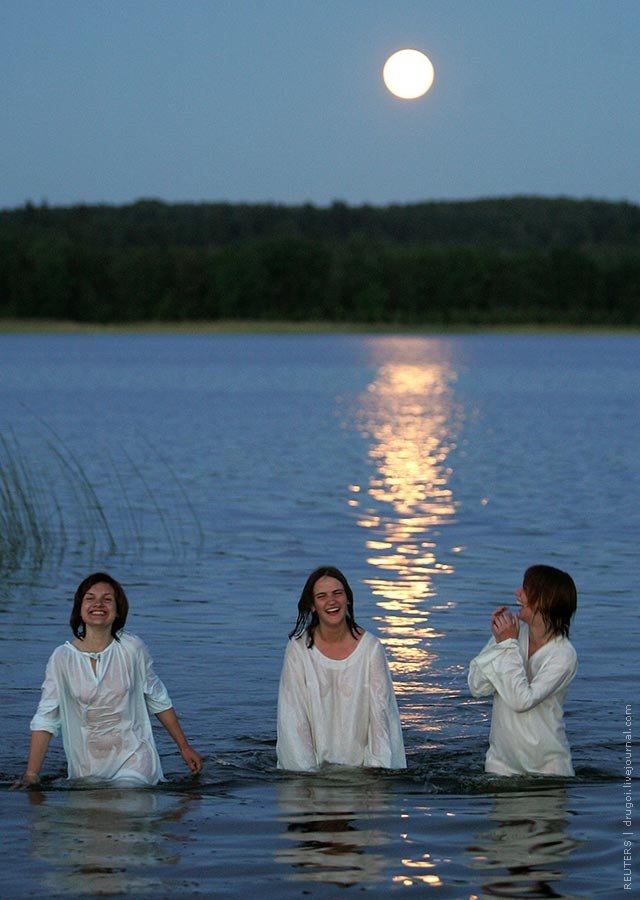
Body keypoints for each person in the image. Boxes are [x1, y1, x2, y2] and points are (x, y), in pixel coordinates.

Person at [18, 572, 203, 787]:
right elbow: (46, 717)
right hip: (86, 765)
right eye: (90, 598)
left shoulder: (132, 648)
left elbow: (158, 699)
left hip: (134, 758)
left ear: (117, 611)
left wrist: (184, 747)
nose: (98, 604)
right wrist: (31, 774)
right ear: (80, 608)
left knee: (123, 797)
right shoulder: (61, 658)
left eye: (107, 599)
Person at [276, 565, 406, 771]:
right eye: (322, 596)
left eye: (338, 593)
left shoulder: (371, 648)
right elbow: (293, 718)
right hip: (313, 772)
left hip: (363, 771)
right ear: (312, 605)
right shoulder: (298, 650)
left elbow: (380, 718)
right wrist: (305, 777)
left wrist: (377, 773)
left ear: (348, 599)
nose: (332, 601)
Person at [467, 564, 578, 776]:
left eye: (526, 589)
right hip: (500, 764)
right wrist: (500, 643)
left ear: (544, 601)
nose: (517, 593)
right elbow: (476, 686)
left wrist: (507, 645)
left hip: (549, 771)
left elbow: (522, 701)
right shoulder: (512, 634)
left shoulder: (563, 655)